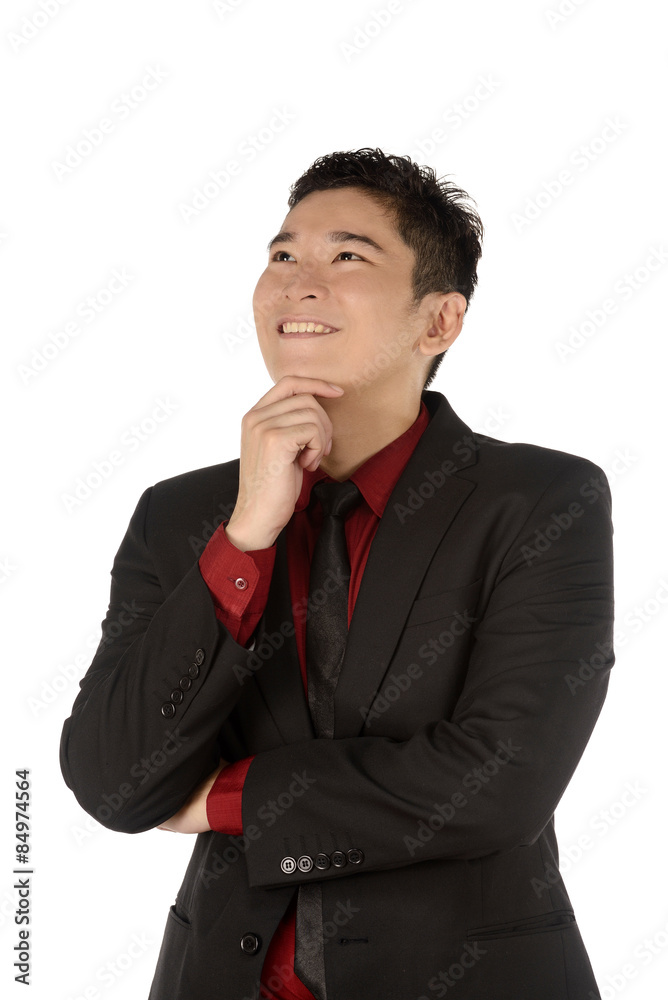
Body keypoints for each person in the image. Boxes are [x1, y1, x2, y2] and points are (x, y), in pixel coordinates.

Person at [60, 147, 614, 1000]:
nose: (298, 283)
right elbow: (114, 781)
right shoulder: (181, 515)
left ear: (439, 322)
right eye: (283, 255)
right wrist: (247, 533)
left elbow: (500, 781)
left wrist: (228, 799)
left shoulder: (541, 500)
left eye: (347, 255)